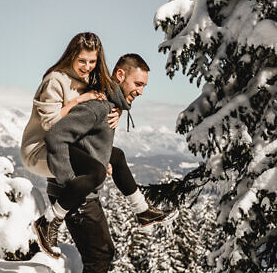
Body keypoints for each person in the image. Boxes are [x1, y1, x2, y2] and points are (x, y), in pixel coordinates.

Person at [31, 53, 161, 273]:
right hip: (74, 192)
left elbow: (83, 143)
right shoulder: (99, 106)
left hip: (81, 190)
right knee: (100, 255)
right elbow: (57, 137)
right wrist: (76, 179)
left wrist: (99, 161)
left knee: (100, 254)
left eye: (143, 86)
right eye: (137, 83)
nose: (140, 90)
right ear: (119, 75)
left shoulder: (109, 106)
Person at [20, 33, 172, 258]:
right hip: (41, 148)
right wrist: (77, 101)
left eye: (92, 62)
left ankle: (142, 211)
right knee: (95, 171)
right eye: (82, 61)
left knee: (116, 156)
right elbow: (52, 126)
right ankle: (48, 222)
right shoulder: (55, 80)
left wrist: (117, 110)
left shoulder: (89, 79)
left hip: (68, 143)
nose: (87, 67)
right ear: (71, 56)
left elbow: (109, 97)